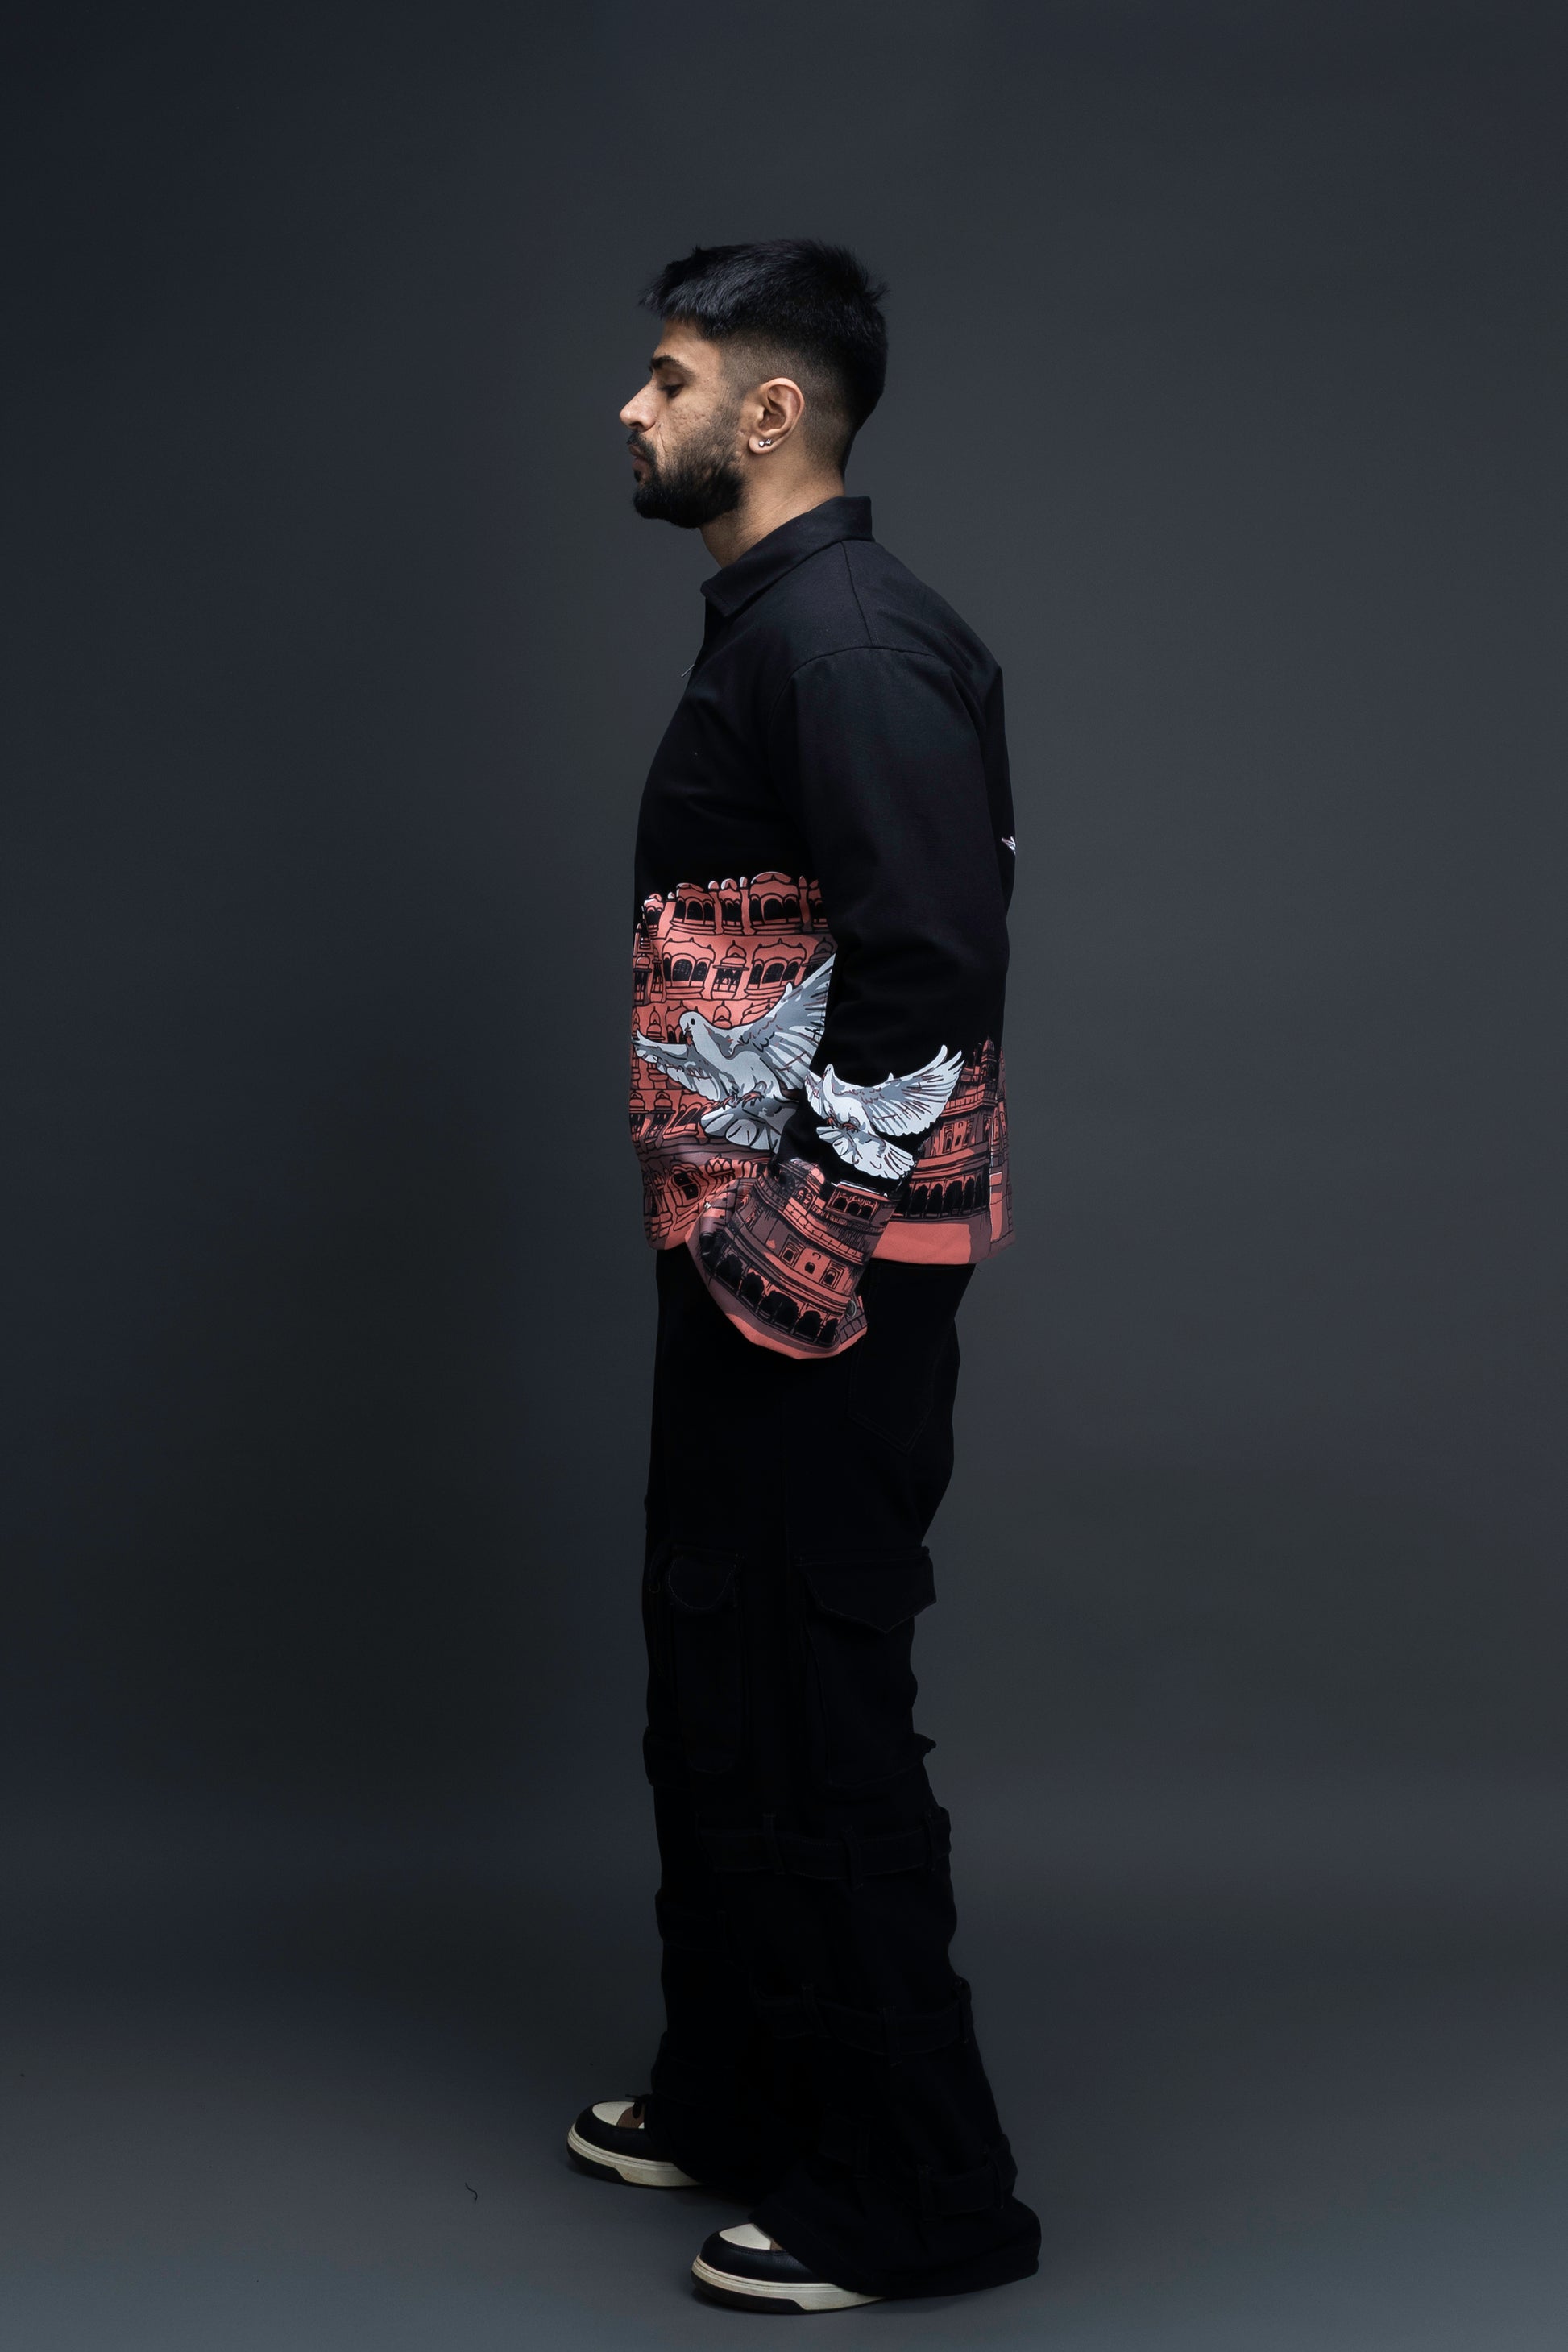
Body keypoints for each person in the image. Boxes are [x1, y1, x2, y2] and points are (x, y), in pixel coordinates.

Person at [565, 239, 1039, 2313]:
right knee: (713, 1683)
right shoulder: (778, 622)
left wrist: (803, 1234)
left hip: (821, 1275)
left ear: (767, 413)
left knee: (812, 1698)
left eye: (663, 377)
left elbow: (931, 956)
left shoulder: (845, 642)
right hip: (740, 1254)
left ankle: (925, 2194)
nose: (628, 408)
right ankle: (746, 2081)